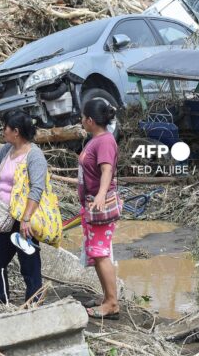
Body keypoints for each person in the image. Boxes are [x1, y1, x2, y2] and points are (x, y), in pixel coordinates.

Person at [0, 109, 47, 304]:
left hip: (24, 219)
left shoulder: (34, 155)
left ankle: (33, 303)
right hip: (6, 218)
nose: (3, 132)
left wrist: (26, 219)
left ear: (16, 131)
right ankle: (0, 302)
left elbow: (37, 188)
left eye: (5, 128)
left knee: (29, 264)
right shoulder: (7, 150)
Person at [79, 99, 120, 320]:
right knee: (96, 253)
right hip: (91, 204)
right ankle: (107, 297)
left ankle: (112, 303)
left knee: (100, 253)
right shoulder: (95, 139)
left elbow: (106, 170)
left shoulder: (104, 141)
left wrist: (101, 195)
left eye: (83, 117)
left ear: (91, 120)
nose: (81, 120)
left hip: (99, 206)